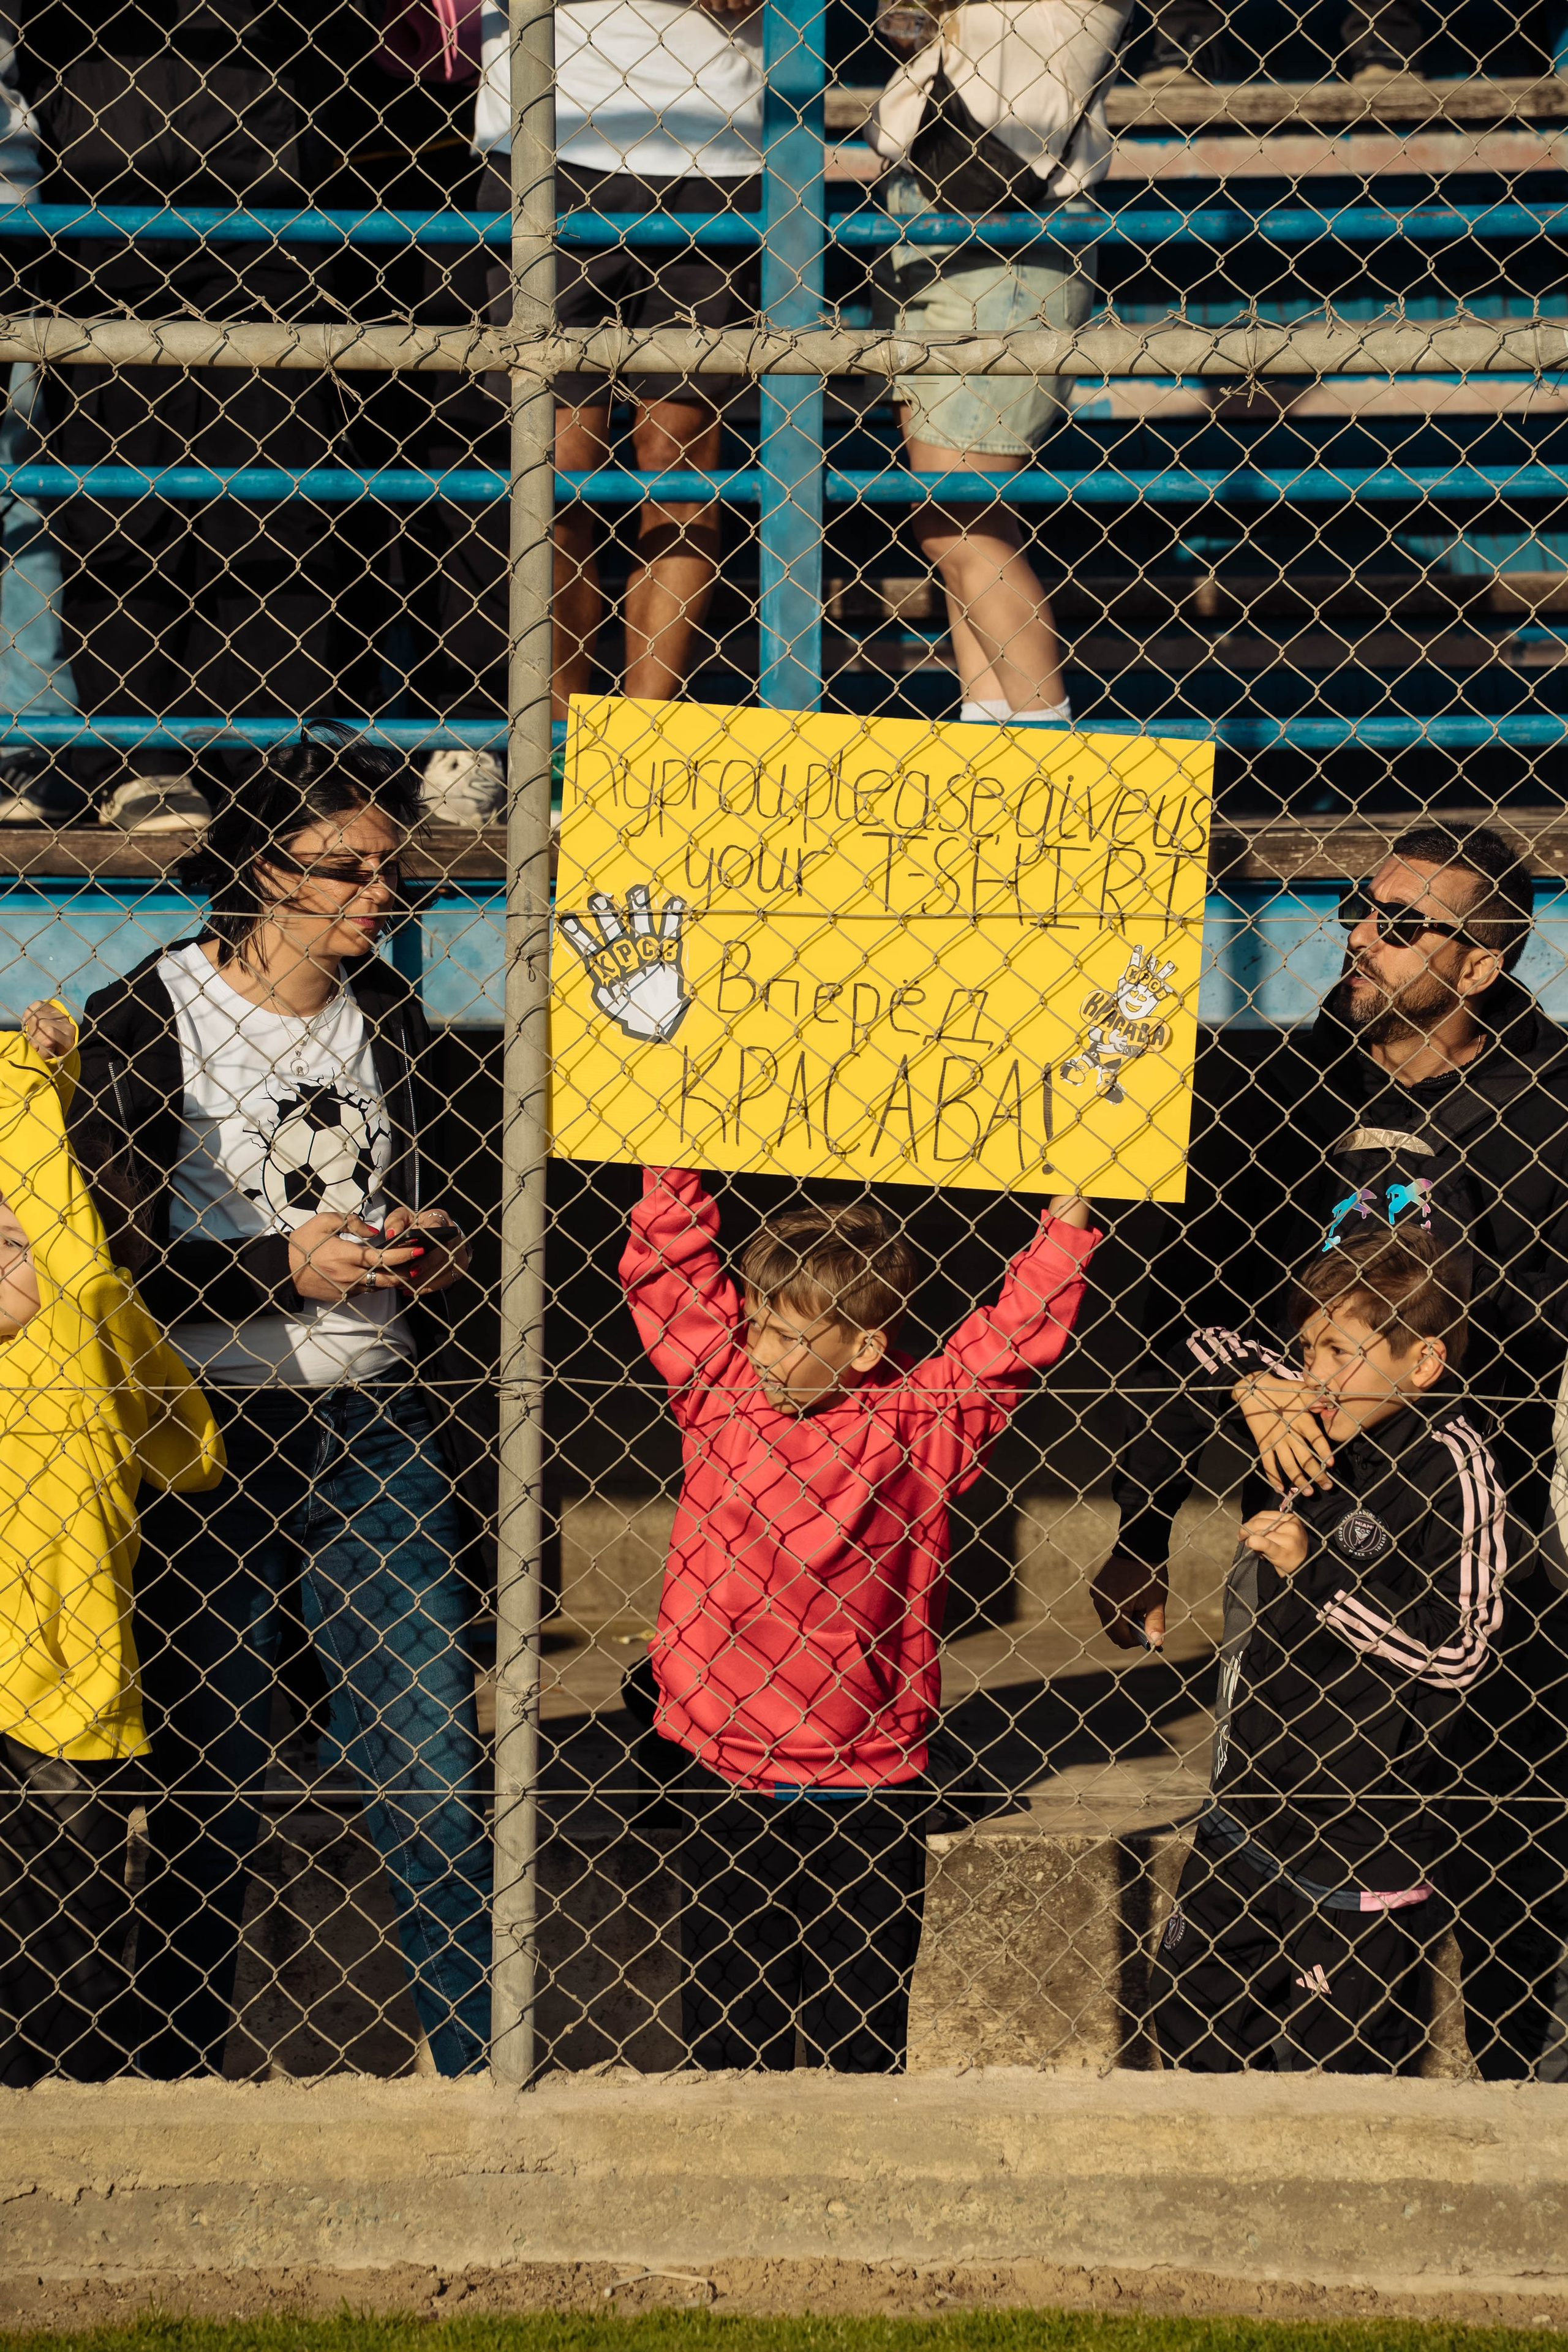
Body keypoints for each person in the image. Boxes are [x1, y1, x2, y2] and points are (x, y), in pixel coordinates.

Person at [1090, 820, 1568, 2075]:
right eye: (1359, 908)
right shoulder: (1289, 1088)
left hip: (1466, 1545)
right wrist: (1161, 1506)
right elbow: (1175, 1295)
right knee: (1284, 1823)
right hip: (1290, 1544)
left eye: (1400, 923)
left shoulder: (1548, 1111)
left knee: (1500, 1864)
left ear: (1474, 966)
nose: (1356, 935)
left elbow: (1530, 1333)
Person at [68, 727, 492, 2077]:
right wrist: (279, 1267)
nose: (380, 892)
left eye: (389, 866)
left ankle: (491, 2067)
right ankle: (176, 2072)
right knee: (217, 1782)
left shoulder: (394, 1020)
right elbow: (114, 1259)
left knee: (431, 1769)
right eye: (343, 868)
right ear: (262, 871)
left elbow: (464, 1196)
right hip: (214, 1433)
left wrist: (437, 1245)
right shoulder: (155, 1012)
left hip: (373, 1425)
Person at [622, 1171, 1098, 2070]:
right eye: (754, 1323)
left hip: (872, 1782)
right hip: (730, 1771)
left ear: (865, 1345)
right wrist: (670, 1161)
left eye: (791, 1335)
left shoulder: (922, 1427)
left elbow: (1009, 1343)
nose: (760, 1349)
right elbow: (672, 1276)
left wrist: (1066, 1223)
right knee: (731, 2030)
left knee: (863, 2031)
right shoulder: (720, 1396)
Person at [1151, 1234, 1507, 2073]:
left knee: (1339, 2067)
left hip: (1363, 1832)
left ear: (1422, 1363)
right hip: (1248, 1806)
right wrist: (1254, 1389)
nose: (1313, 1372)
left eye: (1339, 1353)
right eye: (1306, 1347)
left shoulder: (1455, 1468)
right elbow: (1201, 1341)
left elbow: (1462, 1650)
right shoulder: (1314, 1405)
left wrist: (1318, 1577)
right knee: (1194, 2027)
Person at [20, 0, 358, 831]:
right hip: (96, 192)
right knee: (119, 500)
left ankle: (258, 757)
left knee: (266, 496)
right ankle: (142, 758)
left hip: (262, 192)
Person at [0, 998, 222, 2084]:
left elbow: (180, 1430)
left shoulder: (79, 1312)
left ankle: (66, 2096)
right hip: (56, 1645)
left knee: (64, 1917)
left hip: (58, 1654)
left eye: (9, 1242)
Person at [470, 0, 764, 720]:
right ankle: (562, 750)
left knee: (681, 460)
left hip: (721, 143)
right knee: (553, 463)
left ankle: (640, 751)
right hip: (549, 134)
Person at [867, 0, 1128, 726]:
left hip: (1009, 247)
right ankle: (995, 740)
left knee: (957, 522)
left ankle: (1046, 744)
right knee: (953, 519)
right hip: (938, 232)